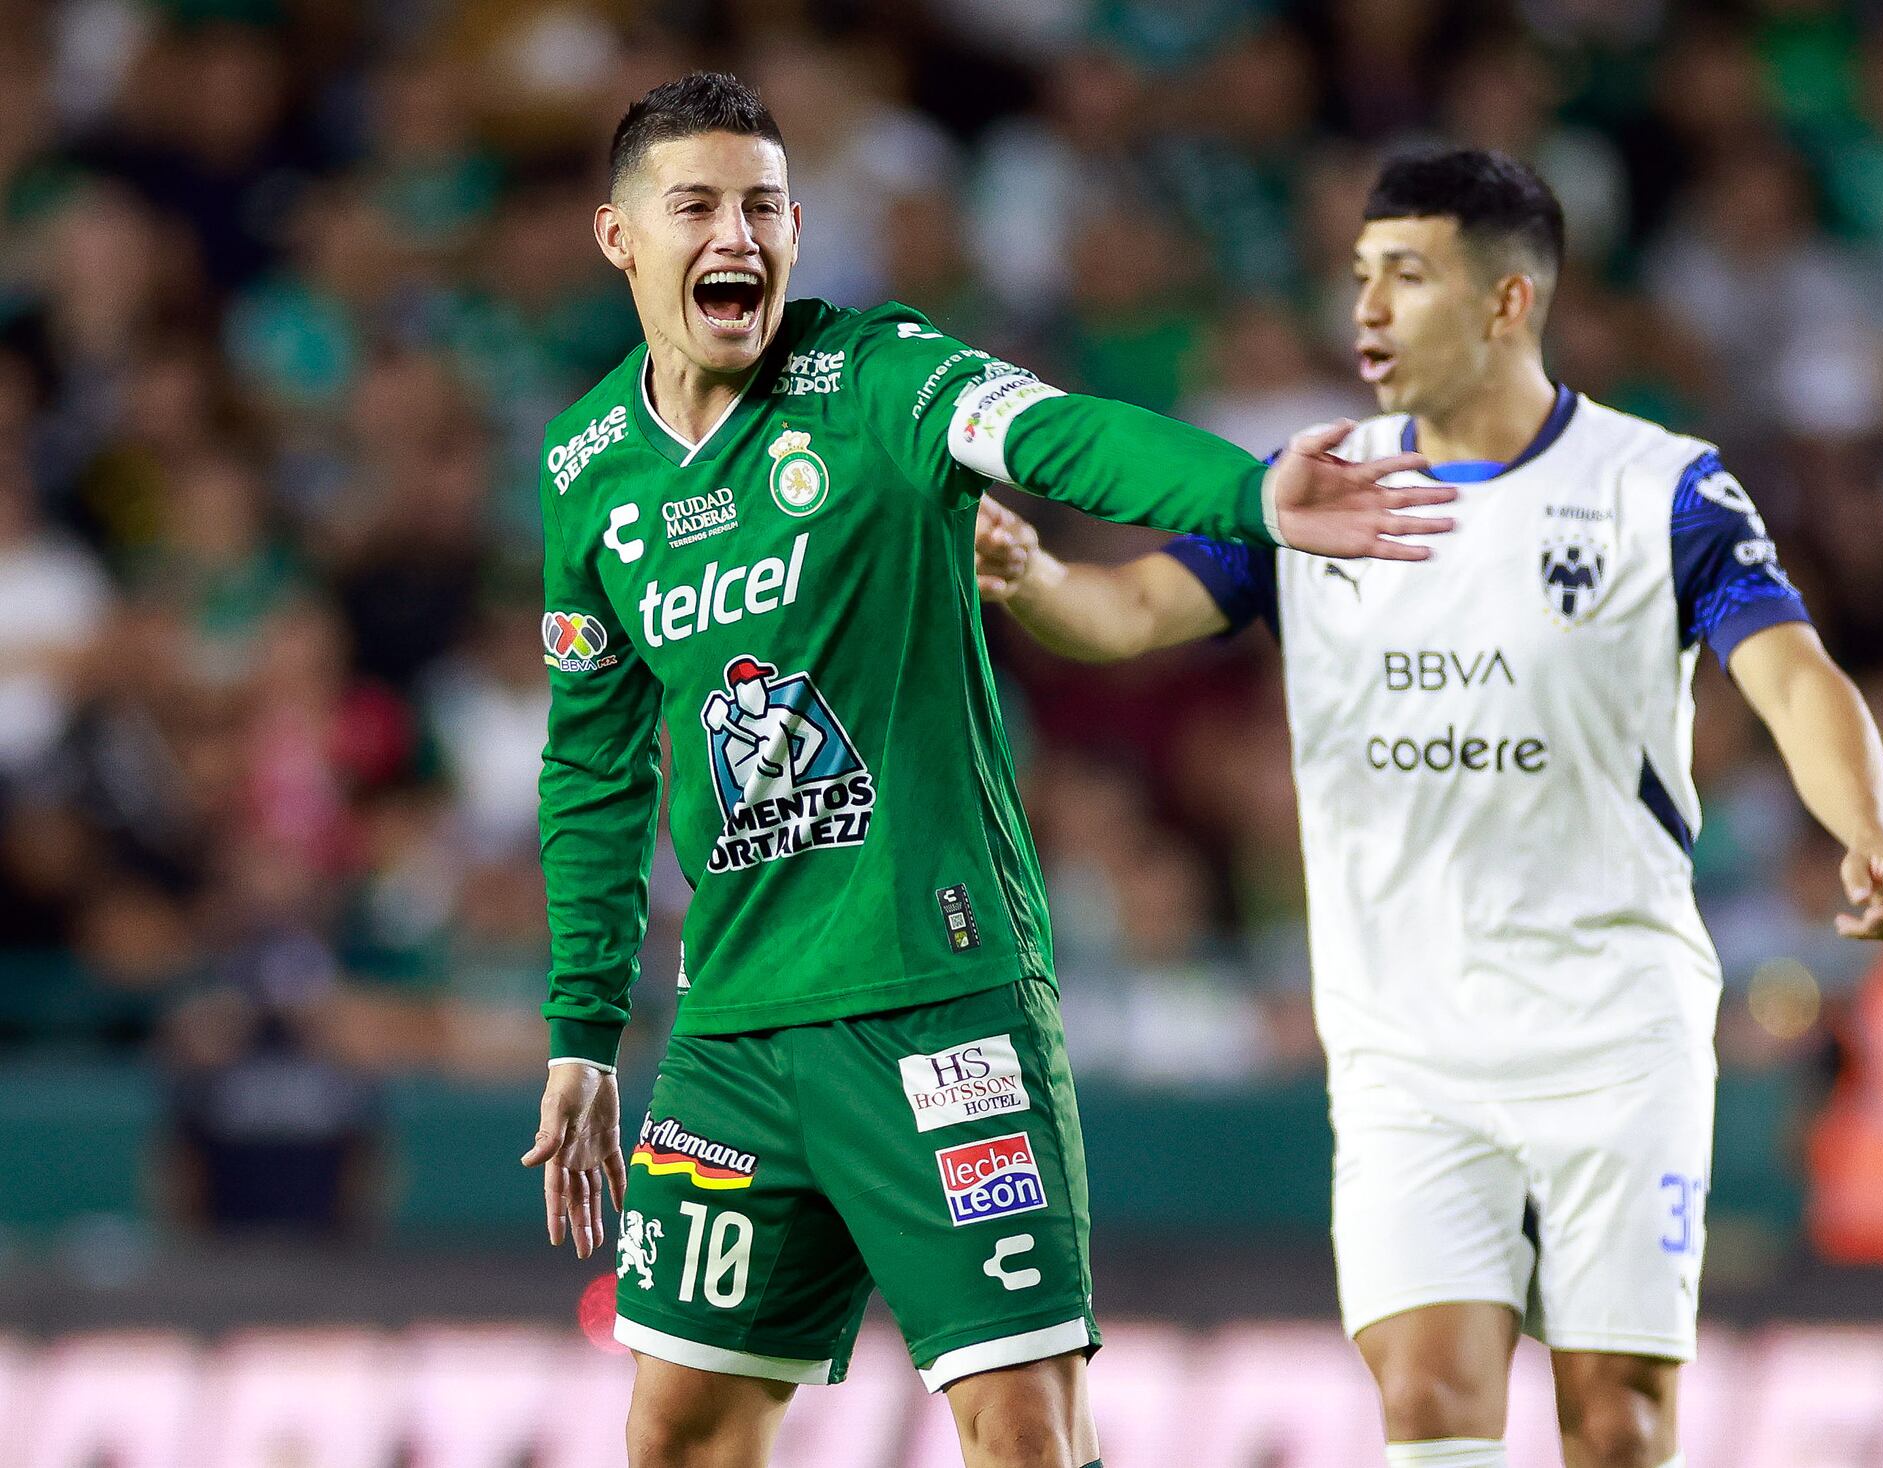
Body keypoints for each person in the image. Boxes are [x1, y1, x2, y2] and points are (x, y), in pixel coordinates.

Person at [517, 72, 1456, 1468]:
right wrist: (583, 1033)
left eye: (766, 208)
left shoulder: (877, 376)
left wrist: (1249, 494)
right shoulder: (587, 469)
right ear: (619, 237)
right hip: (731, 1037)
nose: (739, 236)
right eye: (697, 206)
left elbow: (1060, 435)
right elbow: (591, 771)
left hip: (937, 1003)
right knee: (681, 1434)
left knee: (1022, 1428)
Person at [974, 148, 1883, 1468]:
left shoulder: (1663, 487)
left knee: (1618, 1423)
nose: (1363, 310)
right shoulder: (1313, 487)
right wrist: (1032, 577)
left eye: (1406, 277)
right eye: (1359, 276)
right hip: (1403, 1052)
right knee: (1427, 1402)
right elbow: (1129, 610)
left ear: (1507, 303)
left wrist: (1865, 828)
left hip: (1613, 1031)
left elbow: (1794, 675)